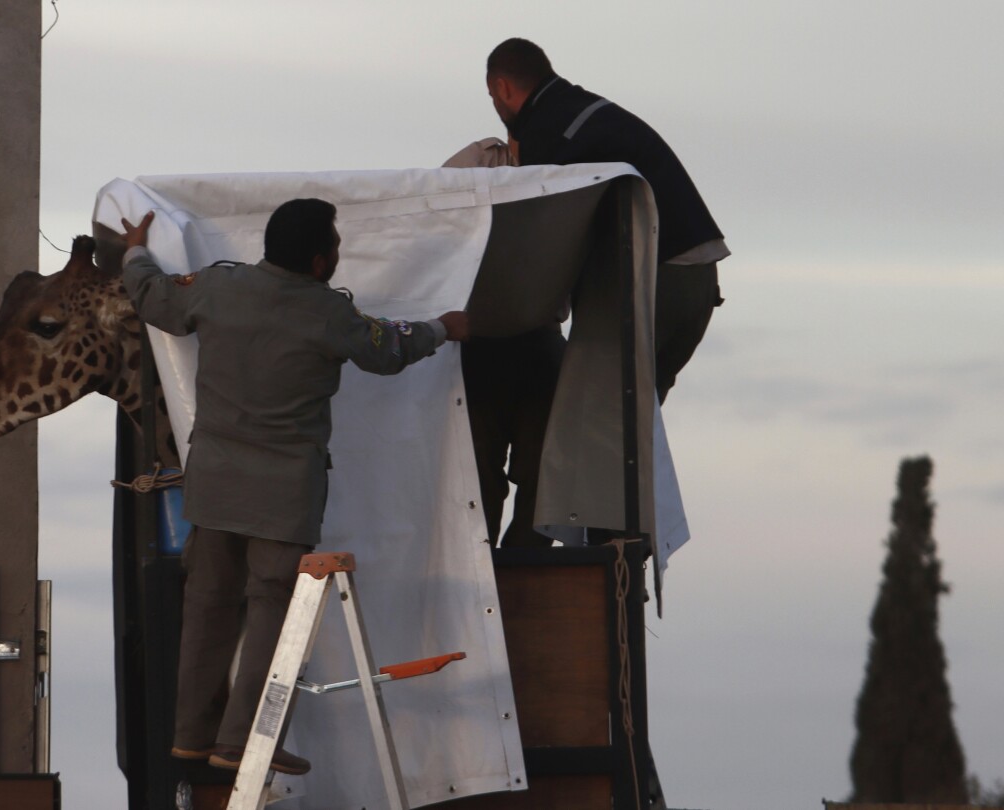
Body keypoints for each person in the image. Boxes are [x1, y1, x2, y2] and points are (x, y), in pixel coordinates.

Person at [119, 199, 468, 777]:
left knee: (207, 610)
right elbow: (388, 350)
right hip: (282, 497)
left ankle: (190, 738)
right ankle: (237, 741)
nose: (337, 253)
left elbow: (153, 297)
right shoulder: (328, 313)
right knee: (269, 618)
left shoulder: (216, 288)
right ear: (317, 260)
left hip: (213, 488)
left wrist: (135, 249)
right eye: (334, 244)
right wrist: (442, 328)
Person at [445, 38, 729, 549]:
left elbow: (541, 244)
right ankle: (616, 546)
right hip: (695, 278)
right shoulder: (579, 112)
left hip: (654, 276)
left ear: (501, 88)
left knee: (602, 416)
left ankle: (605, 551)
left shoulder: (548, 135)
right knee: (627, 422)